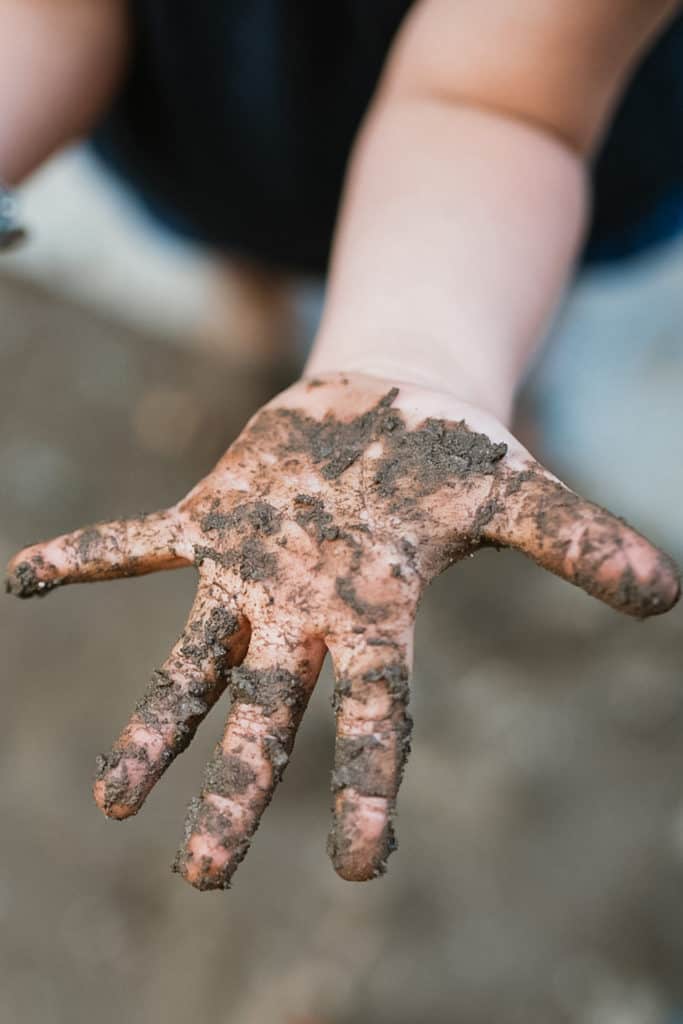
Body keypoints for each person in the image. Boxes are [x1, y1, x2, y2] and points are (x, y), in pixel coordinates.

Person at [3, 0, 682, 892]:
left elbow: (496, 100)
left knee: (492, 319)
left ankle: (474, 392)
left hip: (498, 170)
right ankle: (255, 310)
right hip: (210, 113)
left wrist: (404, 361)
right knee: (234, 229)